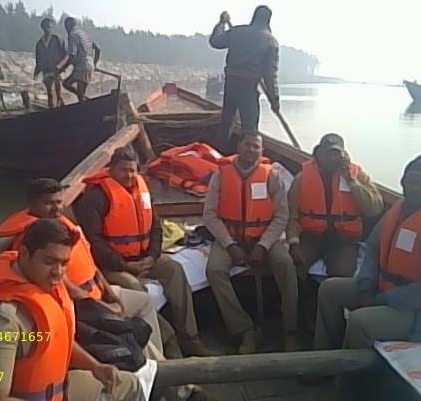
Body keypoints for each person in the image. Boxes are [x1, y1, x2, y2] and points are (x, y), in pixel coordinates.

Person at [0, 218, 145, 401]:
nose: (58, 272)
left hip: (57, 387)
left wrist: (95, 367)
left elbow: (56, 338)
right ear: (24, 254)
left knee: (131, 384)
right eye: (49, 261)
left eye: (64, 263)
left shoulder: (42, 284)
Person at [0, 178, 164, 354]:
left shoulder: (64, 227)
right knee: (131, 334)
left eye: (59, 202)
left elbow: (91, 265)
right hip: (83, 307)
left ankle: (165, 357)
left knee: (144, 302)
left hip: (98, 293)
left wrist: (111, 295)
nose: (56, 208)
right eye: (48, 203)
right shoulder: (34, 239)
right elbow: (66, 287)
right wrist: (105, 308)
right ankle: (162, 365)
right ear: (32, 204)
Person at [75, 148, 215, 357]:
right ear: (111, 170)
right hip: (113, 265)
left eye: (132, 170)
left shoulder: (142, 190)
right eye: (123, 170)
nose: (129, 175)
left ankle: (190, 338)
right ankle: (169, 339)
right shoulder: (95, 198)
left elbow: (155, 226)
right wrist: (125, 265)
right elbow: (95, 242)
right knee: (137, 289)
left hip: (143, 257)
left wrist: (152, 256)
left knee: (175, 270)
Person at [314, 154, 421, 351]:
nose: (414, 187)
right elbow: (373, 249)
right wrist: (366, 286)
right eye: (409, 181)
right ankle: (325, 356)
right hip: (387, 290)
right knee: (329, 290)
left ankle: (349, 370)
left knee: (360, 322)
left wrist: (381, 300)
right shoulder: (400, 211)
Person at [203, 131, 299, 353]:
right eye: (248, 145)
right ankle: (245, 330)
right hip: (231, 237)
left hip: (264, 236)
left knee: (285, 264)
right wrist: (230, 245)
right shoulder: (220, 175)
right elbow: (209, 215)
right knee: (214, 269)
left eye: (256, 146)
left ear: (262, 151)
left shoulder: (271, 177)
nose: (251, 150)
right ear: (239, 146)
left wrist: (263, 245)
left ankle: (291, 330)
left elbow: (281, 216)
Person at [287, 133, 384, 277]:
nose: (332, 158)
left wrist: (352, 182)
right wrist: (294, 243)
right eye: (327, 154)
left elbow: (374, 209)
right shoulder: (302, 178)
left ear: (343, 155)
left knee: (341, 274)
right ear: (318, 154)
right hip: (312, 235)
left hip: (345, 239)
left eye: (336, 154)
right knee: (295, 267)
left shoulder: (357, 175)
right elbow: (292, 217)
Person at [208, 6, 280, 152]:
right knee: (250, 131)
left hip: (231, 84)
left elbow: (215, 41)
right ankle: (248, 158)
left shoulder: (237, 32)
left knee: (226, 123)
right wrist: (274, 101)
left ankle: (218, 153)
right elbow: (270, 75)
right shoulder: (270, 41)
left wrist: (221, 23)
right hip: (248, 87)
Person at [55, 17, 101, 103]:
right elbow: (98, 48)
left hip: (82, 66)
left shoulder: (72, 35)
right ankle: (85, 99)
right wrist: (94, 64)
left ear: (68, 26)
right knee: (69, 85)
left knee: (76, 92)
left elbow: (72, 55)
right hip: (88, 65)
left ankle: (85, 102)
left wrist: (60, 70)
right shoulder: (83, 34)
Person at [34, 18, 67, 108]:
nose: (47, 29)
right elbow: (38, 59)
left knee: (57, 85)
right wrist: (36, 72)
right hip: (46, 68)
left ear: (52, 28)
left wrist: (62, 66)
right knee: (49, 89)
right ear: (42, 28)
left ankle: (60, 100)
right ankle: (51, 105)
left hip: (56, 67)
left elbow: (65, 53)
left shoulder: (57, 39)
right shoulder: (39, 43)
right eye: (45, 27)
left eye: (49, 27)